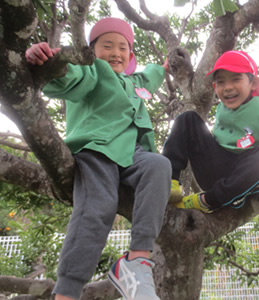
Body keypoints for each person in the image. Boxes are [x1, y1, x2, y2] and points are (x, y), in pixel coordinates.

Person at [25, 17, 171, 300]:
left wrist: (163, 68)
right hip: (97, 150)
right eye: (107, 46)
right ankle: (67, 291)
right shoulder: (93, 70)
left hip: (132, 154)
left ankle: (137, 260)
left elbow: (151, 76)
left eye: (122, 48)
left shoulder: (134, 81)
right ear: (91, 51)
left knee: (159, 165)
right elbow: (65, 77)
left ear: (130, 56)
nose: (116, 53)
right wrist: (45, 62)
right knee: (98, 206)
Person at [163, 50, 259, 213]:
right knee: (187, 119)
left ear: (253, 83)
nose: (228, 88)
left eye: (236, 79)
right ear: (214, 87)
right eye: (221, 82)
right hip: (218, 172)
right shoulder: (222, 108)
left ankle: (208, 200)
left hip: (253, 178)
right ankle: (168, 181)